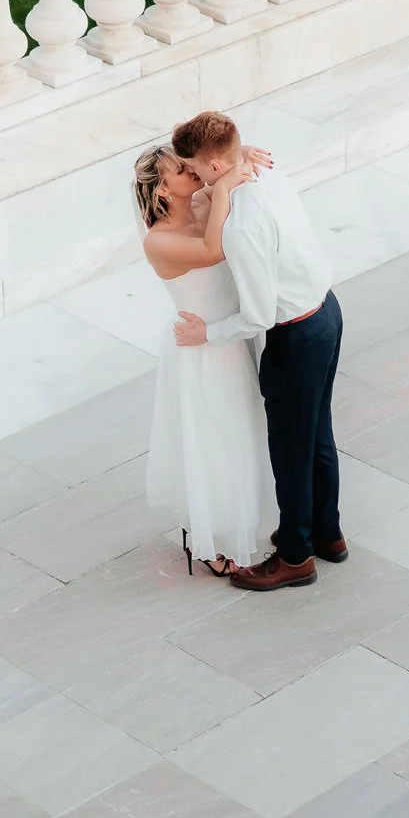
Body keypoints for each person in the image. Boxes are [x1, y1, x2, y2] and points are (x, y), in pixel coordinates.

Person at [171, 110, 344, 591]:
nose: (195, 177)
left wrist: (206, 334)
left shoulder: (241, 225)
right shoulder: (266, 171)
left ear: (212, 166)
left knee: (290, 451)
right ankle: (327, 534)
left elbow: (259, 315)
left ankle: (295, 556)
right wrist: (231, 167)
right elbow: (224, 162)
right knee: (318, 435)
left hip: (296, 336)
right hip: (327, 311)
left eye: (195, 168)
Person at [134, 142, 277, 576]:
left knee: (243, 433)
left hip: (230, 336)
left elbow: (216, 161)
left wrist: (234, 156)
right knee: (213, 442)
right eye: (178, 169)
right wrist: (227, 185)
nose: (188, 170)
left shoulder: (201, 202)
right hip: (200, 351)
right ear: (162, 190)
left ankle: (241, 519)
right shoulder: (159, 241)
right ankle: (208, 538)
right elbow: (215, 250)